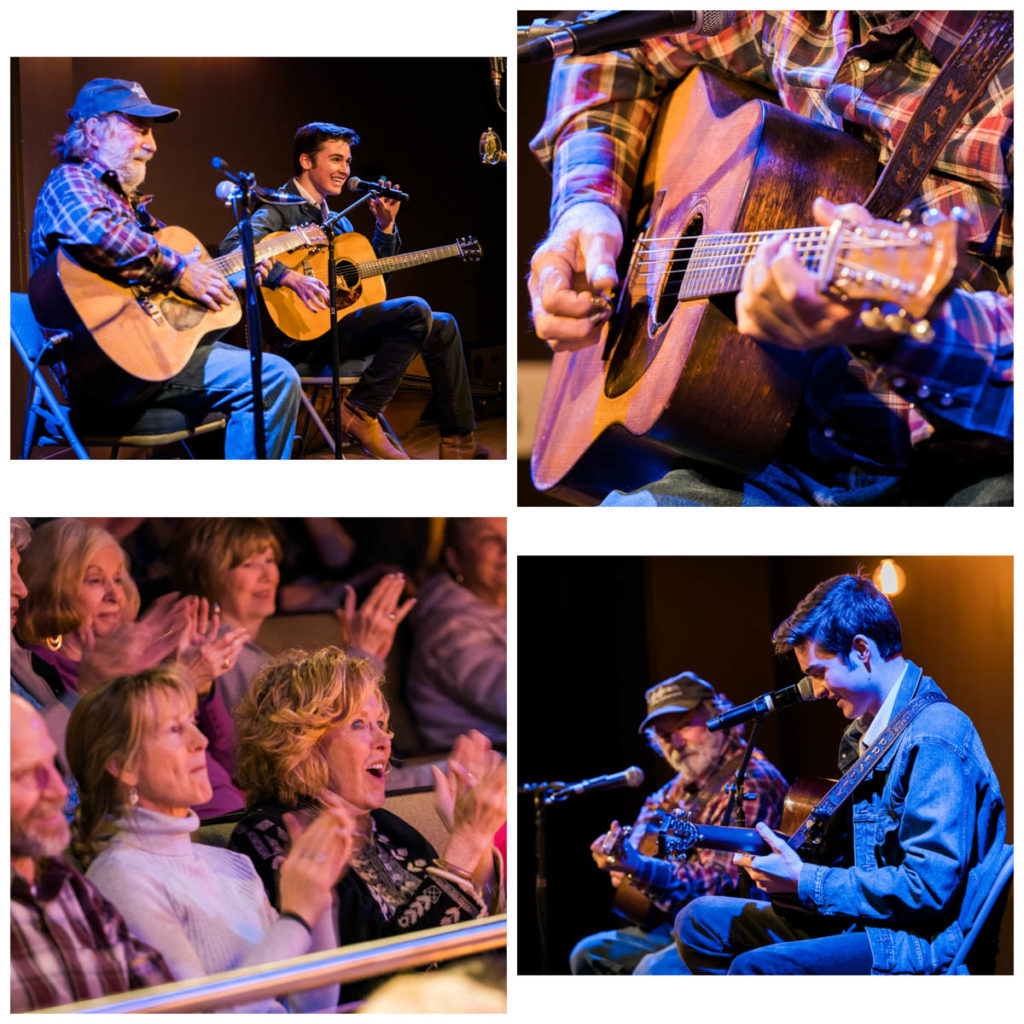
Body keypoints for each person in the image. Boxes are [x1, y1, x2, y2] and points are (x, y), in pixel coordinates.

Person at [527, 11, 1012, 506]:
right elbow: (607, 45)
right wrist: (586, 204)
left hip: (962, 466)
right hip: (762, 440)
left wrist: (893, 329)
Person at [672, 573, 1007, 974]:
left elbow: (928, 888)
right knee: (698, 922)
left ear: (862, 650)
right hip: (871, 921)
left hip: (919, 942)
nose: (816, 689)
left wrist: (806, 880)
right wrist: (786, 865)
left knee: (758, 969)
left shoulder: (935, 736)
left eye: (818, 672)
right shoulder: (865, 734)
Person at [28, 77, 301, 459]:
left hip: (149, 353)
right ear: (92, 131)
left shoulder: (127, 204)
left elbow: (179, 268)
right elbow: (94, 233)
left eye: (151, 133)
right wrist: (180, 272)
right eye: (139, 129)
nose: (152, 144)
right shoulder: (69, 181)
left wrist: (229, 275)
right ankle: (248, 515)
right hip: (107, 370)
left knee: (260, 366)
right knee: (273, 377)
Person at [64, 667, 353, 1012]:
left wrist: (318, 895)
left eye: (192, 722)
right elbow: (205, 1015)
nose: (200, 741)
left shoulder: (232, 863)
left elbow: (314, 1006)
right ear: (123, 767)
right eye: (174, 729)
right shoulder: (122, 876)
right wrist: (296, 918)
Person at [229, 646, 506, 1000]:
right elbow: (376, 981)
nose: (384, 741)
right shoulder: (271, 834)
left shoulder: (387, 827)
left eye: (382, 724)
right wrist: (465, 842)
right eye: (359, 724)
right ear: (302, 741)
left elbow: (471, 949)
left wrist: (476, 846)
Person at [217, 121, 487, 460]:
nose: (345, 170)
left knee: (443, 324)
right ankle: (359, 412)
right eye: (335, 160)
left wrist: (385, 228)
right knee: (416, 309)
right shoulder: (278, 209)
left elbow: (373, 290)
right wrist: (287, 277)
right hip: (302, 337)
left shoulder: (340, 221)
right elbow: (232, 251)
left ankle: (459, 442)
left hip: (339, 328)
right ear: (306, 161)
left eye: (347, 161)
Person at [16, 517, 248, 817]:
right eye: (95, 580)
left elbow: (228, 761)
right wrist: (181, 683)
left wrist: (199, 687)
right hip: (172, 828)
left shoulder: (137, 658)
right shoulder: (37, 671)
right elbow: (76, 772)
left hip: (226, 816)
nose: (115, 594)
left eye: (118, 578)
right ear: (52, 588)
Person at [569, 671, 788, 974]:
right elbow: (636, 848)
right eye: (663, 735)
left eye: (684, 725)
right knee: (588, 955)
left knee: (652, 971)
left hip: (733, 927)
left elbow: (720, 883)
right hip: (674, 924)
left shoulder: (751, 780)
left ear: (716, 716)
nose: (675, 742)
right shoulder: (673, 791)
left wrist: (640, 870)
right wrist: (619, 861)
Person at [10, 693, 176, 1011]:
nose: (59, 791)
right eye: (25, 775)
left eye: (52, 765)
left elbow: (166, 999)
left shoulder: (64, 880)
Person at [170, 517, 414, 717]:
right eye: (248, 565)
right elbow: (300, 746)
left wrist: (363, 656)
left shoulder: (237, 648)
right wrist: (363, 654)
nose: (268, 575)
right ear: (208, 576)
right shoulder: (222, 653)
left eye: (269, 560)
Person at [406, 517, 507, 750]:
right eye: (489, 539)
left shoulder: (502, 604)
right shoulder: (447, 625)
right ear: (455, 559)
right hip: (471, 765)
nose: (507, 547)